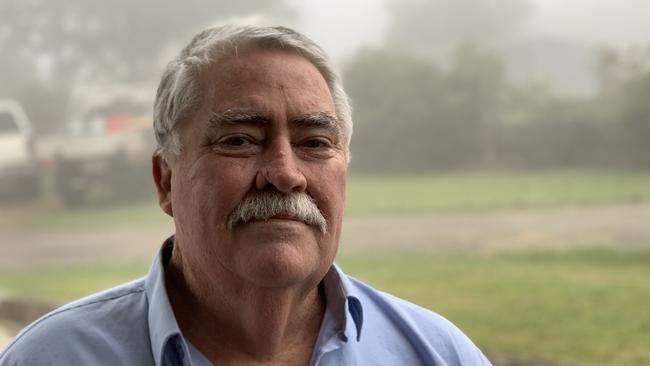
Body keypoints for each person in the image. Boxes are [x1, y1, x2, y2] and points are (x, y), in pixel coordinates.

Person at [0, 25, 492, 366]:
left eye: (315, 143)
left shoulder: (437, 353)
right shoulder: (52, 357)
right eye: (239, 140)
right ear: (165, 180)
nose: (285, 174)